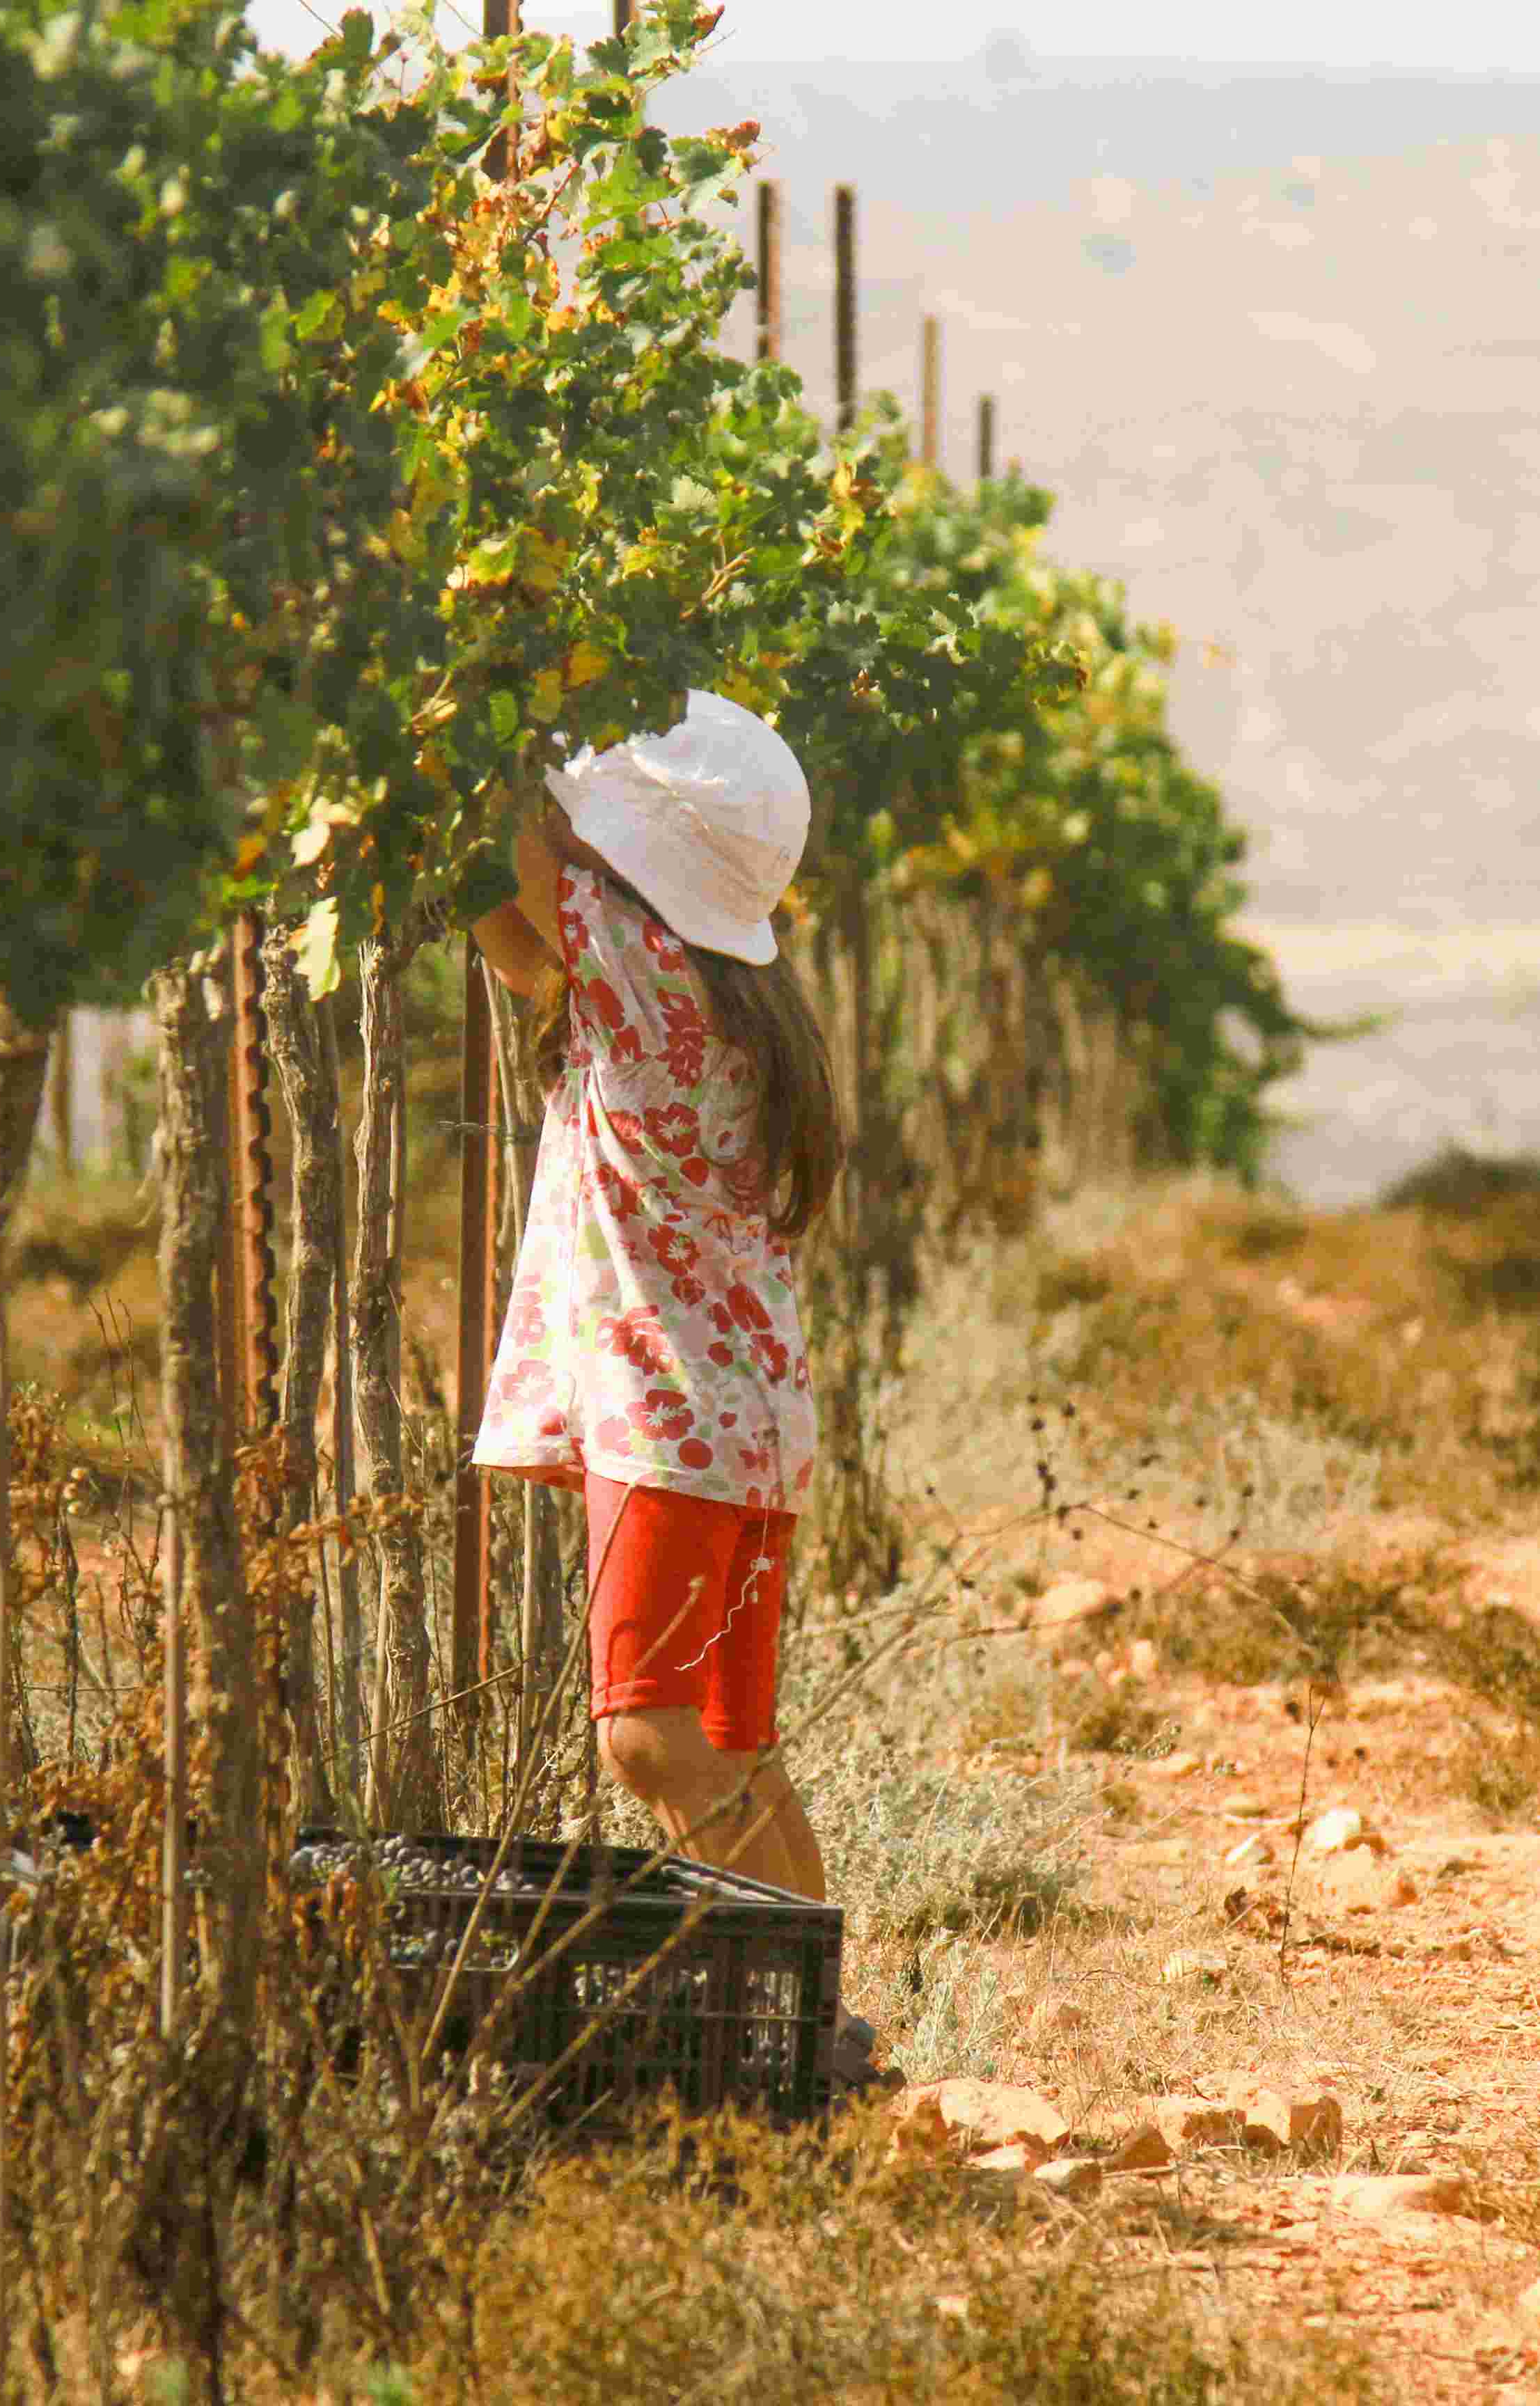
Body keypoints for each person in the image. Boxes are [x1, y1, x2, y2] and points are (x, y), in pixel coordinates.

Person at [469, 689, 885, 2084]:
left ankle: (776, 2029)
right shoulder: (715, 990)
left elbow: (511, 848)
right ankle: (818, 2030)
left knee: (647, 1740)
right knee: (730, 1745)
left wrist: (481, 703)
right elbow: (511, 934)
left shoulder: (640, 967)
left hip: (673, 1424)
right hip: (745, 1421)